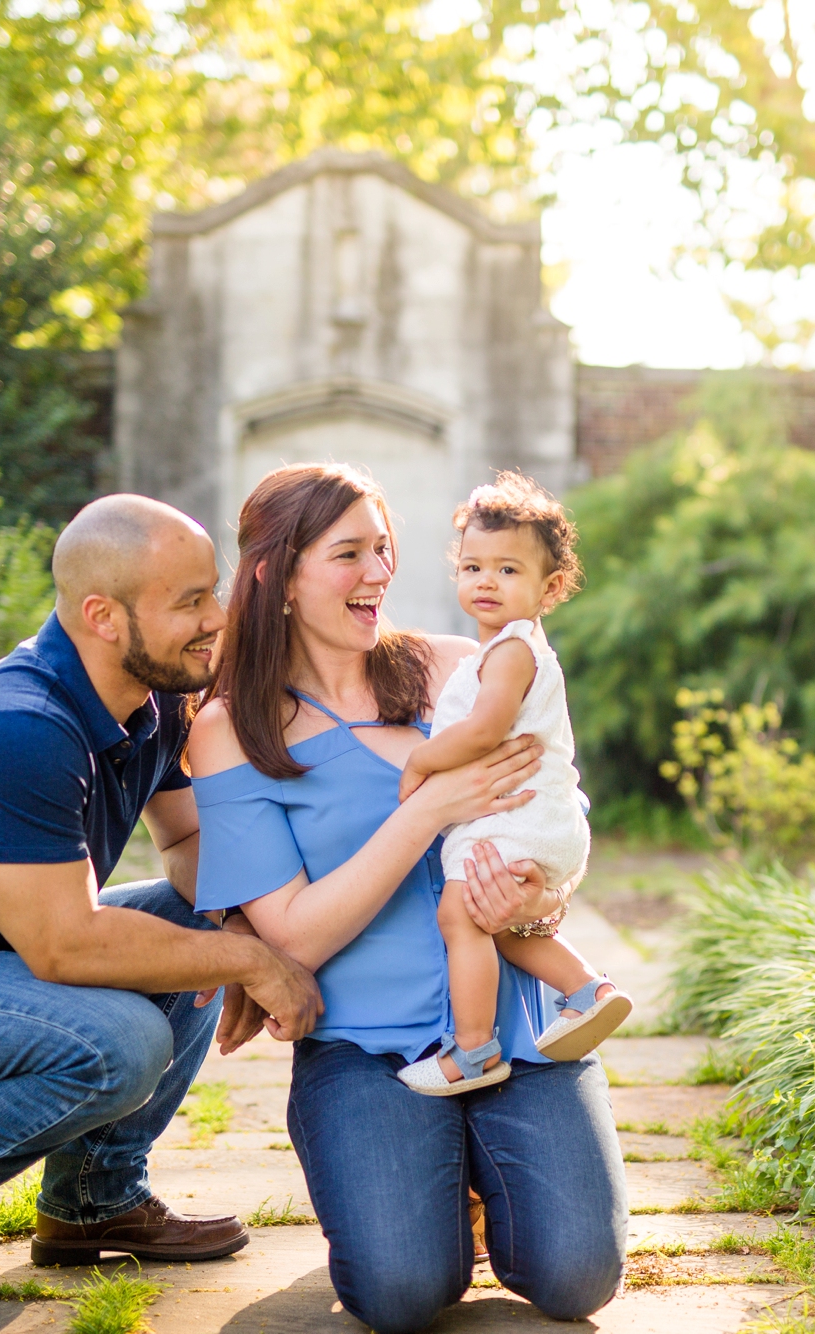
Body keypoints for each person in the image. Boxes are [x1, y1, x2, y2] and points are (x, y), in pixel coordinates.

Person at [0, 494, 323, 1307]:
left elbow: (187, 848)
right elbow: (65, 947)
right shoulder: (18, 727)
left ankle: (94, 1201)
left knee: (205, 917)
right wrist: (250, 959)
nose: (216, 618)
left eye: (210, 592)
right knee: (122, 1044)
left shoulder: (152, 703)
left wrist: (243, 925)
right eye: (189, 601)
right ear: (102, 616)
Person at [186, 463, 628, 1334]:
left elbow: (556, 816)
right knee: (400, 1294)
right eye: (349, 553)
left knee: (578, 1277)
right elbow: (294, 938)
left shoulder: (463, 671)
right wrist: (428, 809)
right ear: (278, 576)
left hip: (517, 1027)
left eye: (383, 548)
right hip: (366, 1047)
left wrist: (533, 903)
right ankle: (425, 1178)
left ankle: (472, 1165)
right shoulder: (231, 729)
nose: (379, 572)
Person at [394, 473, 629, 1095]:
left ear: (550, 588)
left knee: (460, 914)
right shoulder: (504, 651)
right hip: (542, 821)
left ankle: (473, 1050)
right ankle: (588, 990)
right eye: (473, 567)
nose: (486, 582)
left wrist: (420, 764)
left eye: (507, 570)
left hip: (521, 816)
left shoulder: (512, 652)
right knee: (498, 926)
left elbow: (485, 729)